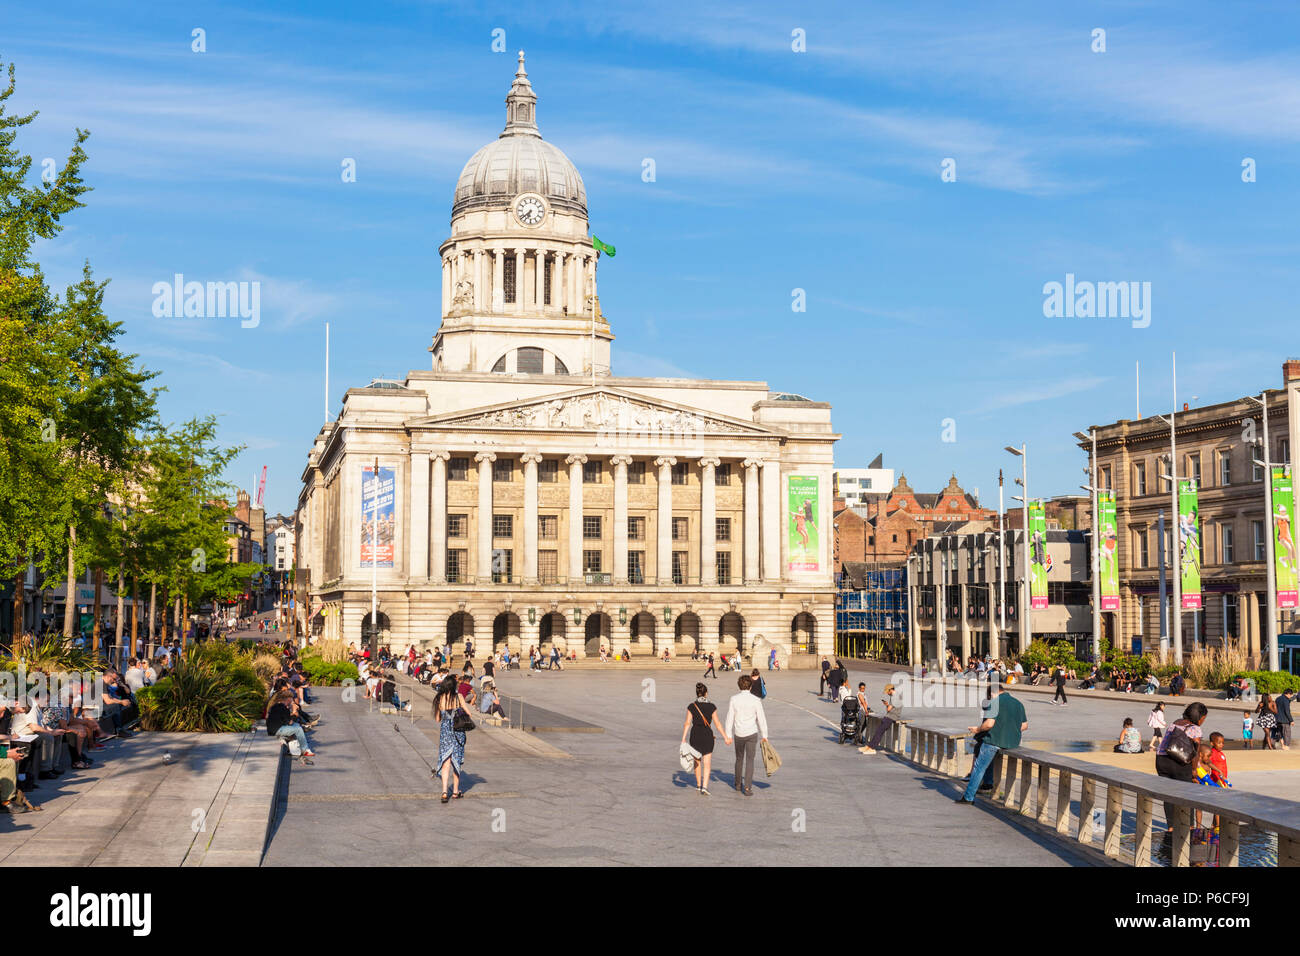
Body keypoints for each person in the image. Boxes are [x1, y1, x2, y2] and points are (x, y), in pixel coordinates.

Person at [957, 682, 1028, 803]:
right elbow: (1024, 726)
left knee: (979, 767)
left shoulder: (995, 702)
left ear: (992, 694)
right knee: (987, 758)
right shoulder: (1018, 703)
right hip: (1013, 743)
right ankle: (988, 783)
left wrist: (977, 729)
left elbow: (989, 724)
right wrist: (1009, 730)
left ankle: (968, 797)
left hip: (994, 741)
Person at [1155, 701, 1209, 834]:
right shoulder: (1195, 728)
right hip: (1179, 762)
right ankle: (1188, 826)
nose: (1203, 721)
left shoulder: (1175, 723)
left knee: (1168, 795)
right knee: (1186, 793)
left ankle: (1171, 827)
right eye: (1203, 718)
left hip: (1162, 760)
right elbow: (1195, 752)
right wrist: (1194, 770)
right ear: (1199, 717)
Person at [681, 682, 731, 795]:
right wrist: (725, 737)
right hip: (707, 735)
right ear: (706, 693)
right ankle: (705, 787)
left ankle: (698, 785)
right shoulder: (712, 707)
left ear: (697, 693)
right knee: (707, 763)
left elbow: (687, 723)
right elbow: (717, 724)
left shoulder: (692, 706)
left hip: (695, 735)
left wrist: (683, 738)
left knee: (697, 761)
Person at [724, 675, 768, 796]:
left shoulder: (734, 699)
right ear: (750, 686)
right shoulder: (756, 700)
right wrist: (765, 734)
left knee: (739, 759)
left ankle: (738, 784)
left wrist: (728, 734)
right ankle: (747, 787)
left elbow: (730, 717)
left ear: (739, 685)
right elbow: (761, 718)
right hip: (751, 733)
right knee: (750, 760)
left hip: (738, 733)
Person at [434, 676, 472, 803]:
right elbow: (469, 714)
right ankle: (455, 791)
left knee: (445, 763)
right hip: (457, 733)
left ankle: (444, 792)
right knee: (456, 762)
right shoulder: (459, 697)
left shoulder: (440, 698)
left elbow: (437, 719)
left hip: (445, 734)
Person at [267, 689, 315, 765]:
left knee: (297, 725)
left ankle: (299, 746)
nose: (292, 702)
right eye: (291, 700)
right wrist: (294, 712)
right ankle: (305, 750)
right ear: (288, 699)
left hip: (273, 728)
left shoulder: (277, 705)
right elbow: (290, 722)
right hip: (276, 730)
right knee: (298, 729)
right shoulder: (283, 708)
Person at [860, 683, 904, 754]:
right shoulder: (897, 695)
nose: (887, 693)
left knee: (879, 732)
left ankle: (872, 748)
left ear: (890, 690)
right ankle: (869, 746)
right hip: (892, 715)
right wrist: (888, 705)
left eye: (888, 692)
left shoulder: (894, 696)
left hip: (892, 716)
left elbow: (889, 709)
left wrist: (887, 705)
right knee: (879, 731)